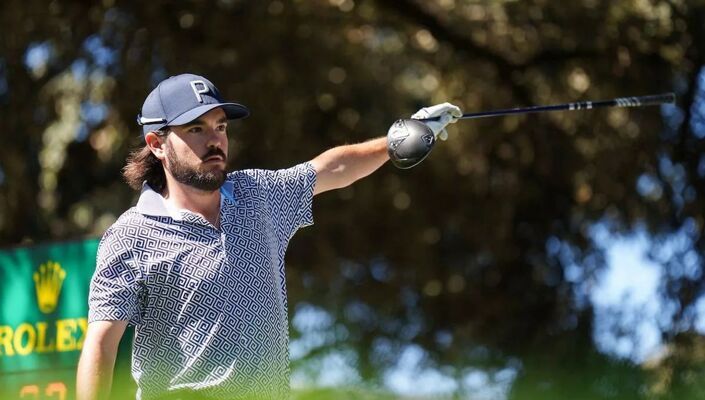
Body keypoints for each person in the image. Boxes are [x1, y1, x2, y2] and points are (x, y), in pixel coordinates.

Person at [76, 73, 461, 400]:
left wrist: (396, 141)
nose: (215, 140)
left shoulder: (257, 195)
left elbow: (332, 167)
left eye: (221, 126)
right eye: (196, 128)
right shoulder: (130, 236)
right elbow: (101, 346)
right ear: (157, 144)